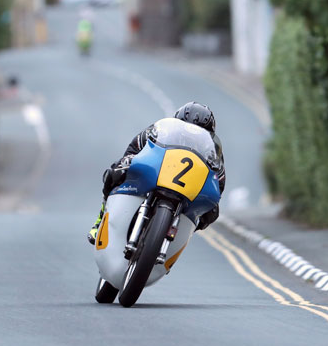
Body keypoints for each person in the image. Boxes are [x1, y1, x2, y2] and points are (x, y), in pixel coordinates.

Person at [87, 102, 226, 244]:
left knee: (212, 213)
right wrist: (128, 162)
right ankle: (100, 219)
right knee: (115, 171)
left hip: (188, 190)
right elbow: (134, 148)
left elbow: (219, 182)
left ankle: (178, 237)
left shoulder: (212, 151)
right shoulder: (162, 131)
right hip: (156, 174)